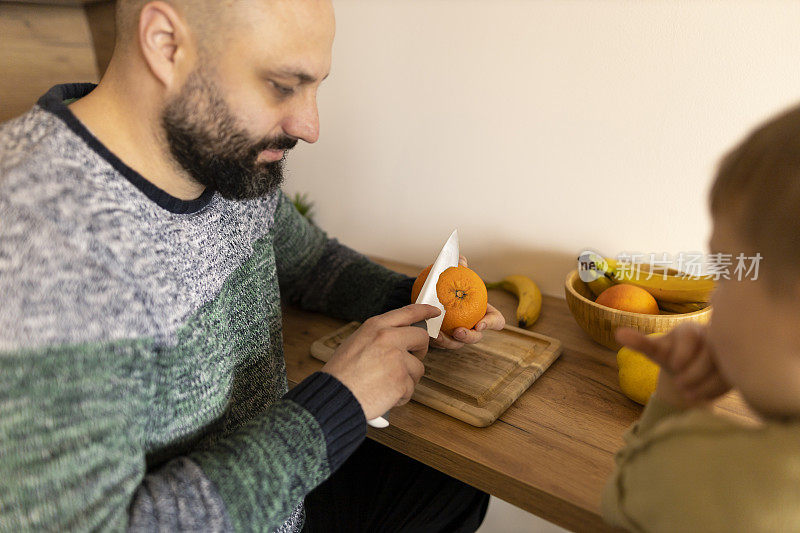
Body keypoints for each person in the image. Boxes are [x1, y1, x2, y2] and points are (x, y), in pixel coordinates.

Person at [0, 0, 505, 530]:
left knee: (458, 487)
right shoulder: (36, 240)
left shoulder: (219, 157)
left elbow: (313, 264)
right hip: (271, 477)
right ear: (164, 44)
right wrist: (335, 407)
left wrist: (420, 304)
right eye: (284, 86)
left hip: (284, 492)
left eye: (316, 86)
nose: (310, 126)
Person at [601, 102, 800, 531]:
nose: (712, 292)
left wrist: (673, 407)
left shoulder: (708, 469)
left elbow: (622, 500)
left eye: (727, 273)